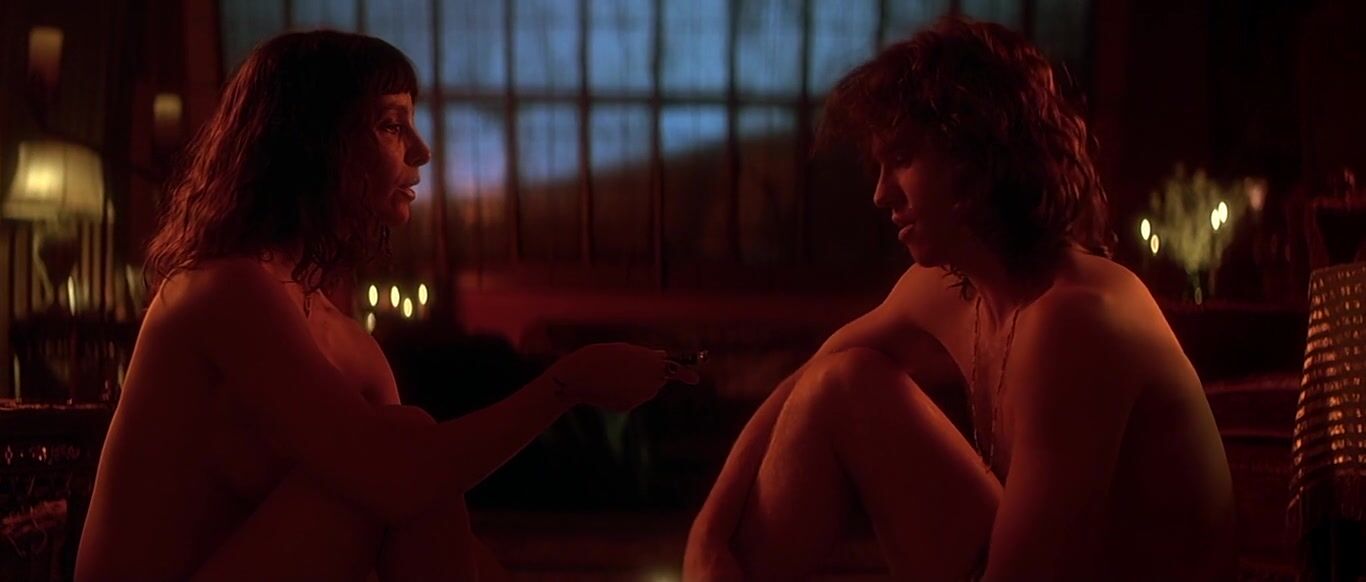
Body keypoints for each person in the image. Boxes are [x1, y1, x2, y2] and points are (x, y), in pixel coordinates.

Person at [75, 31, 691, 581]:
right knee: (393, 458)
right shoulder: (219, 290)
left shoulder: (345, 340)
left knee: (400, 457)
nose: (422, 151)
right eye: (392, 125)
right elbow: (399, 480)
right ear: (315, 142)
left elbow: (426, 515)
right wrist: (566, 385)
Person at [685, 17, 1235, 581]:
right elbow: (806, 381)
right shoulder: (949, 289)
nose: (880, 194)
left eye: (902, 159)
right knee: (840, 381)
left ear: (975, 155)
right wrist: (707, 539)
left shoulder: (1076, 319)